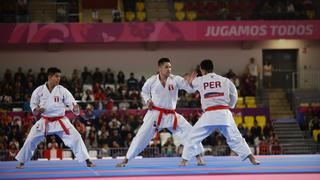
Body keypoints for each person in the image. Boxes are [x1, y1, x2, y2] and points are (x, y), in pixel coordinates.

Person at [116, 58, 205, 167]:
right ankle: (126, 160)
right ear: (160, 68)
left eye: (170, 67)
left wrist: (191, 83)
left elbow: (190, 90)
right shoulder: (152, 80)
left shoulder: (176, 79)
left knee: (190, 132)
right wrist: (148, 100)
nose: (169, 69)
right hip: (156, 114)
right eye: (166, 67)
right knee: (141, 136)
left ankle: (199, 158)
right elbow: (144, 92)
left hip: (171, 115)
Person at [179, 59, 260, 166]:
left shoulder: (200, 80)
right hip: (224, 113)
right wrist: (229, 107)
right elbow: (234, 95)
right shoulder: (225, 80)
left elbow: (190, 85)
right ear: (212, 68)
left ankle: (184, 161)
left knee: (193, 137)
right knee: (236, 137)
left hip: (209, 115)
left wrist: (190, 81)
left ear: (202, 70)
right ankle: (252, 158)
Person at [15, 67, 95, 168]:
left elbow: (72, 105)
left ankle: (87, 161)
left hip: (60, 120)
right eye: (56, 76)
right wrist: (37, 110)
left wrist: (75, 108)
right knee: (30, 139)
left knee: (76, 137)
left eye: (59, 77)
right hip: (45, 121)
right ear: (49, 77)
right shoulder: (39, 90)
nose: (59, 79)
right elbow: (33, 106)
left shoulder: (62, 90)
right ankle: (22, 162)